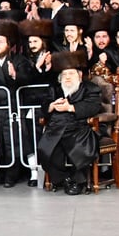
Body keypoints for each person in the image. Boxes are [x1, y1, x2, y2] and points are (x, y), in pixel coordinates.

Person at [37, 50, 102, 195]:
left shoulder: (90, 88)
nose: (67, 78)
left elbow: (94, 106)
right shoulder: (55, 89)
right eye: (64, 75)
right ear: (60, 78)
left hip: (79, 127)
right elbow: (44, 103)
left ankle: (78, 181)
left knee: (79, 148)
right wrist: (52, 105)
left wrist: (71, 107)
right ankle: (65, 178)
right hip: (56, 128)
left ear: (79, 75)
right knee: (45, 149)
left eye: (71, 74)